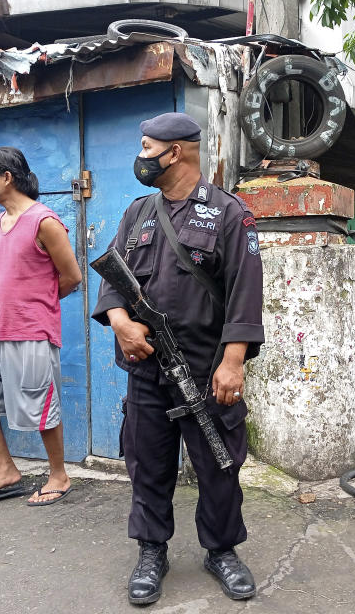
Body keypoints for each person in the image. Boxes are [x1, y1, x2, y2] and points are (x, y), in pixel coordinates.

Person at [92, 112, 264, 605]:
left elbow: (245, 294)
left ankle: (222, 550)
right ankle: (151, 550)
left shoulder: (231, 214)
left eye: (148, 147)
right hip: (147, 369)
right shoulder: (138, 212)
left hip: (207, 372)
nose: (141, 156)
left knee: (219, 464)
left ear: (176, 152)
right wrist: (121, 323)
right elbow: (114, 279)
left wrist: (233, 363)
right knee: (147, 464)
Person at [0, 147, 82, 507]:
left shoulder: (44, 221)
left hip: (32, 330)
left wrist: (36, 303)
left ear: (7, 178)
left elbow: (71, 276)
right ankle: (6, 471)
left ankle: (59, 475)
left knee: (40, 407)